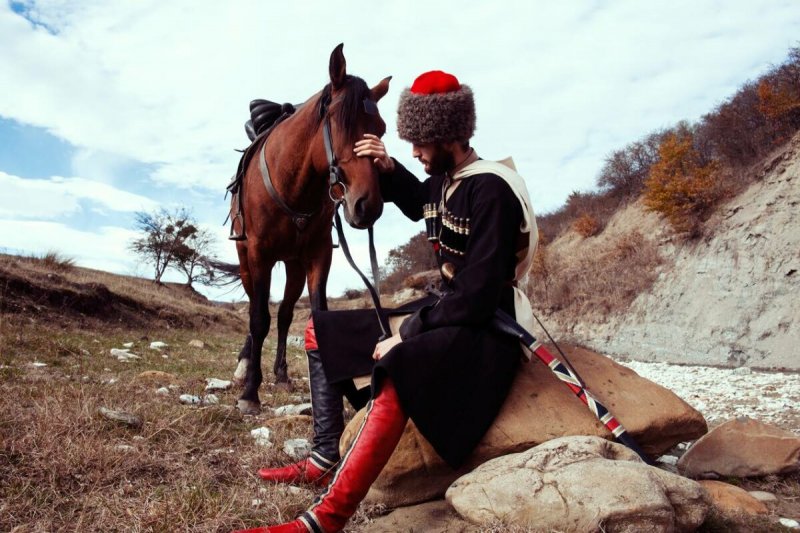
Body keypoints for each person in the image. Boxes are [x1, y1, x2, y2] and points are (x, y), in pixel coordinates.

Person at [235, 70, 537, 533]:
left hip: (487, 328)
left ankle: (325, 519)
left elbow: (477, 296)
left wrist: (407, 334)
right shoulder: (447, 180)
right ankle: (323, 453)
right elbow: (423, 202)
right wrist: (387, 168)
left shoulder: (491, 187)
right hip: (452, 315)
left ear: (444, 135)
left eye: (419, 141)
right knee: (320, 329)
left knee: (400, 364)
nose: (412, 150)